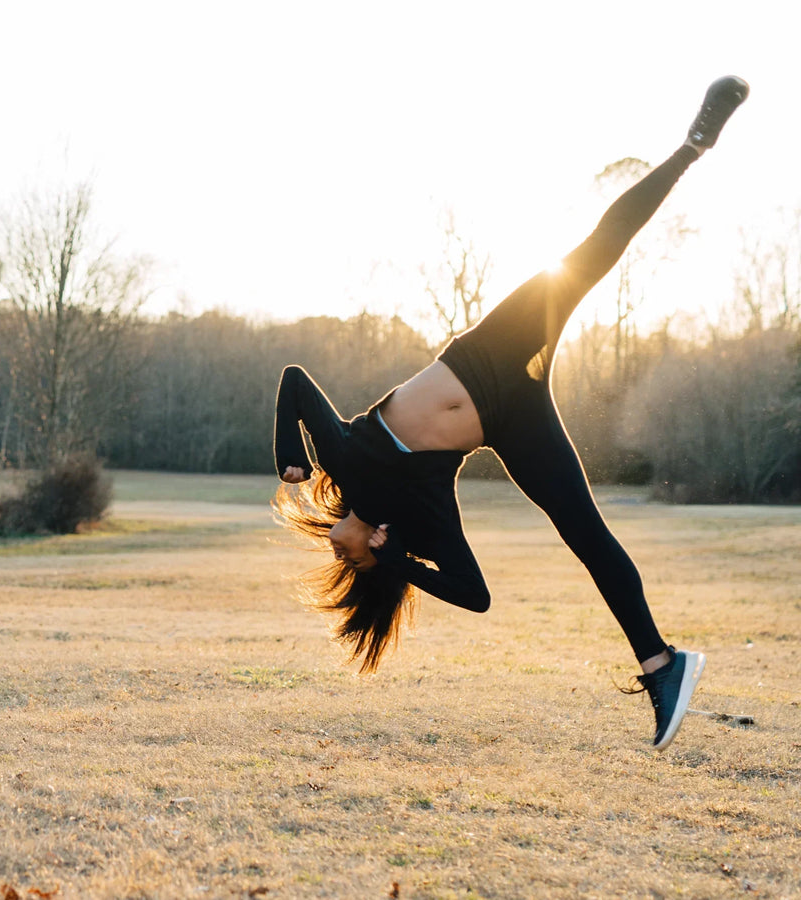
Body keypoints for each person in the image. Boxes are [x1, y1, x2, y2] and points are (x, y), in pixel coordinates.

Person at [272, 77, 749, 750]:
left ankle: (692, 146)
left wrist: (284, 458)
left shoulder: (338, 460)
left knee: (589, 254)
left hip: (489, 354)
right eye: (347, 560)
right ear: (364, 559)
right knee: (584, 532)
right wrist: (397, 561)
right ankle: (662, 666)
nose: (332, 547)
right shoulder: (414, 526)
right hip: (512, 418)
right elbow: (474, 592)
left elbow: (293, 382)